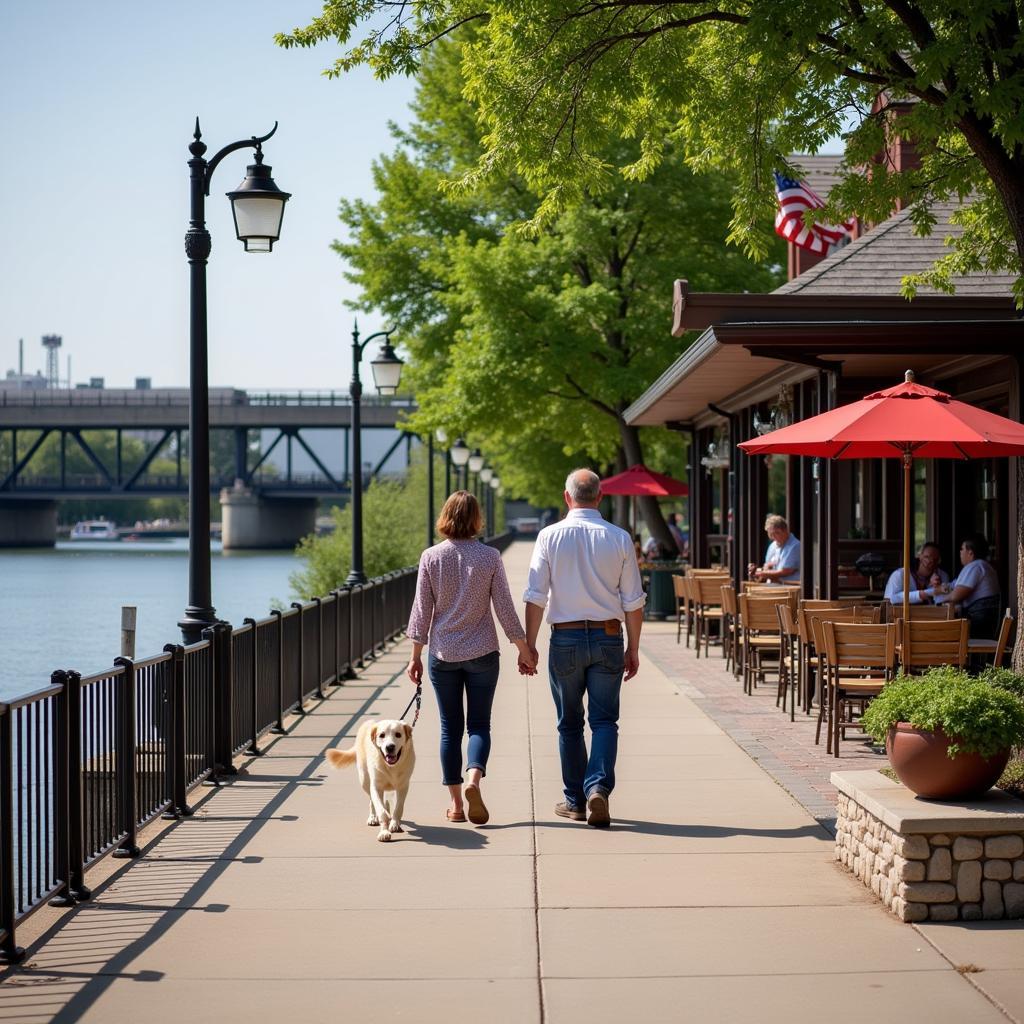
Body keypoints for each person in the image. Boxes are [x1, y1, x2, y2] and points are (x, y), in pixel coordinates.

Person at [523, 468, 646, 828]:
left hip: (565, 637)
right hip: (609, 637)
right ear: (600, 497)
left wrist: (529, 646)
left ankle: (575, 800)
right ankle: (598, 789)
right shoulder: (619, 538)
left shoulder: (549, 536)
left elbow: (535, 595)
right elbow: (633, 600)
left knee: (570, 723)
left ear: (567, 498)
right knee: (605, 720)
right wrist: (633, 647)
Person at [406, 491, 537, 825]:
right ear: (477, 518)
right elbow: (504, 608)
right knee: (479, 725)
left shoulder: (431, 557)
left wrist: (415, 657)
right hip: (482, 652)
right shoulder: (489, 556)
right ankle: (473, 780)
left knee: (450, 728)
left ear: (445, 517)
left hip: (443, 653)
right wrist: (525, 650)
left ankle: (456, 807)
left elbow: (422, 612)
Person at [934, 533, 1002, 639]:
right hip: (984, 622)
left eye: (962, 549)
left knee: (941, 633)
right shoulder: (983, 566)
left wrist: (938, 602)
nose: (960, 552)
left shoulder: (976, 566)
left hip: (979, 623)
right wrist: (939, 588)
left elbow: (956, 596)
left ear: (970, 553)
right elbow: (951, 586)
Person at [883, 541, 949, 605]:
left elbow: (945, 601)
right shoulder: (900, 574)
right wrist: (928, 592)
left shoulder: (942, 575)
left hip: (930, 614)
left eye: (935, 558)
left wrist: (937, 587)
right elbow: (891, 599)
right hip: (899, 615)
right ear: (920, 556)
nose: (931, 560)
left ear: (939, 560)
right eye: (927, 556)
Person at [747, 514, 800, 584]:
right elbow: (767, 567)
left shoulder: (795, 546)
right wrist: (759, 570)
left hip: (789, 590)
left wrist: (760, 573)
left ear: (786, 530)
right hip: (772, 587)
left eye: (777, 533)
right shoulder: (772, 546)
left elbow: (785, 571)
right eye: (771, 534)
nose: (774, 537)